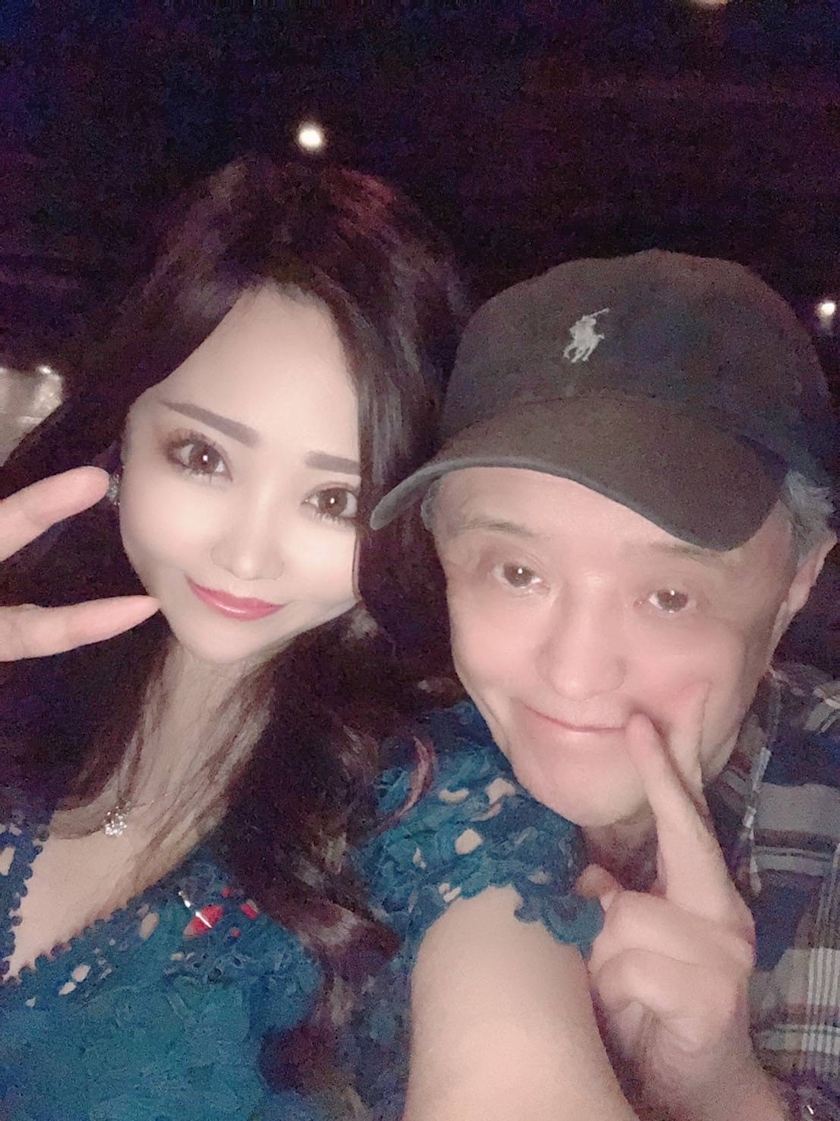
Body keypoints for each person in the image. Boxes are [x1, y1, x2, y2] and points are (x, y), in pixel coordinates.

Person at [0, 158, 635, 1121]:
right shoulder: (22, 662)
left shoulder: (430, 805)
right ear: (120, 432)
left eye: (335, 499)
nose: (248, 553)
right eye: (203, 455)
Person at [372, 250, 840, 1121]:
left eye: (669, 596)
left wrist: (721, 1091)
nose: (575, 673)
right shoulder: (368, 780)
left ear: (797, 584)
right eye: (516, 571)